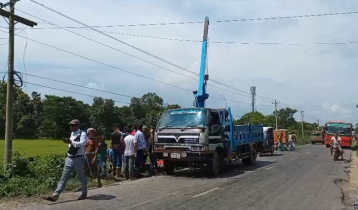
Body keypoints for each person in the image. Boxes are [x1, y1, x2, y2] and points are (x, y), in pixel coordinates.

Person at [44, 119, 87, 202]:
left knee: (82, 177)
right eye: (71, 125)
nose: (71, 127)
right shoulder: (72, 133)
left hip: (79, 158)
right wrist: (69, 141)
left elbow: (82, 143)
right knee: (63, 177)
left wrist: (71, 142)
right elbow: (71, 144)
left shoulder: (83, 133)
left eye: (73, 125)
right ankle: (55, 195)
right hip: (69, 158)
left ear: (78, 125)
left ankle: (84, 193)